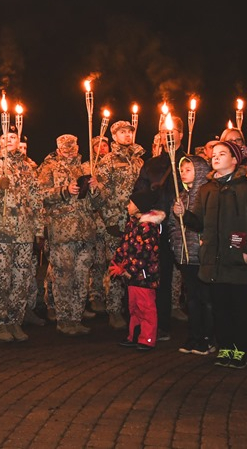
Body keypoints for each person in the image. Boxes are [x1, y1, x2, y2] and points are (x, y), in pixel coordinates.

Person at [177, 140, 247, 370]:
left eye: (222, 154)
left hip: (237, 258)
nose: (215, 158)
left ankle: (240, 350)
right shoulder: (207, 189)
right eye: (214, 155)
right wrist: (184, 214)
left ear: (235, 160)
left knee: (237, 307)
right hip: (213, 260)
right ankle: (226, 348)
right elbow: (198, 222)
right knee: (220, 308)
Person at [0, 127, 41, 342]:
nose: (10, 140)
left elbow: (36, 199)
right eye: (6, 137)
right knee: (1, 279)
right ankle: (1, 322)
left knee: (21, 280)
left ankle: (15, 321)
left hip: (24, 233)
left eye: (14, 137)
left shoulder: (27, 167)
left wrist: (38, 229)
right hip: (0, 233)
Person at [37, 134, 103, 336]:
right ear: (58, 149)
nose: (69, 151)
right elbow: (40, 195)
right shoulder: (49, 168)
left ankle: (76, 317)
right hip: (62, 233)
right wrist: (64, 190)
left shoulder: (86, 168)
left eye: (72, 147)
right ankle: (64, 319)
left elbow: (99, 203)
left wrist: (95, 189)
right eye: (65, 148)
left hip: (85, 232)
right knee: (63, 276)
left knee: (82, 277)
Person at [130, 116, 185, 341]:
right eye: (163, 132)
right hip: (159, 230)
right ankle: (161, 324)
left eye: (172, 132)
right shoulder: (151, 165)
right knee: (160, 276)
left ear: (181, 134)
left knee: (191, 277)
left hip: (183, 228)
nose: (167, 136)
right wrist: (142, 213)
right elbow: (139, 194)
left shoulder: (189, 162)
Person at [93, 120, 143, 330]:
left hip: (137, 221)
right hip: (117, 221)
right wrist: (110, 220)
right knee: (116, 266)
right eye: (122, 132)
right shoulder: (108, 161)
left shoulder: (139, 160)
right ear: (114, 136)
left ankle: (135, 309)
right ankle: (114, 310)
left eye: (129, 132)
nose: (127, 136)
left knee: (136, 266)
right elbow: (100, 195)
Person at [167, 154, 213, 355]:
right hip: (184, 254)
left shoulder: (206, 194)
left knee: (205, 298)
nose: (183, 174)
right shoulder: (182, 196)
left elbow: (205, 222)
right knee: (192, 298)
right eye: (182, 170)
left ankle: (208, 338)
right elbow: (172, 224)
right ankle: (194, 336)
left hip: (200, 254)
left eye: (188, 169)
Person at [111, 208, 164, 350]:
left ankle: (147, 338)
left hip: (144, 277)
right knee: (134, 307)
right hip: (133, 277)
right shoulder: (132, 224)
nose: (127, 206)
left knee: (146, 308)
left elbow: (145, 253)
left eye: (130, 203)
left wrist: (131, 271)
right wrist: (116, 262)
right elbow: (124, 246)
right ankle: (134, 335)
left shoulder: (149, 227)